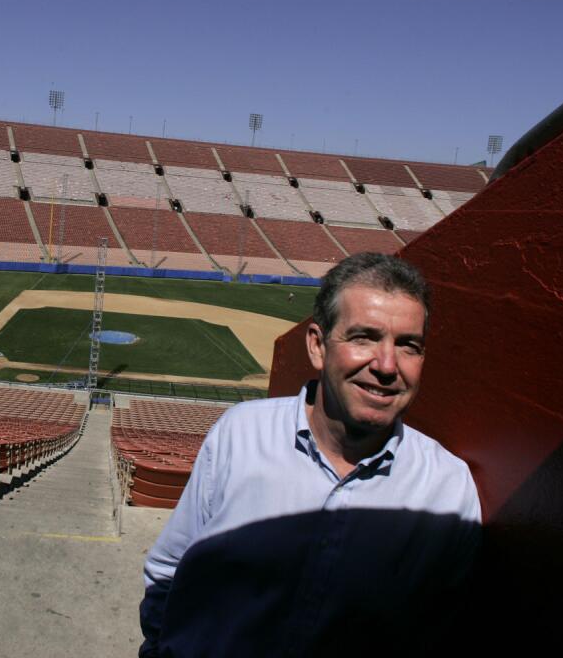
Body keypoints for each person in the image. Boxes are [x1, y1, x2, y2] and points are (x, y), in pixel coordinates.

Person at [139, 252, 481, 657]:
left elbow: (443, 631)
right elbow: (168, 571)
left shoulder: (448, 488)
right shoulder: (240, 434)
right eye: (364, 338)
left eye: (408, 346)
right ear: (318, 347)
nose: (387, 365)